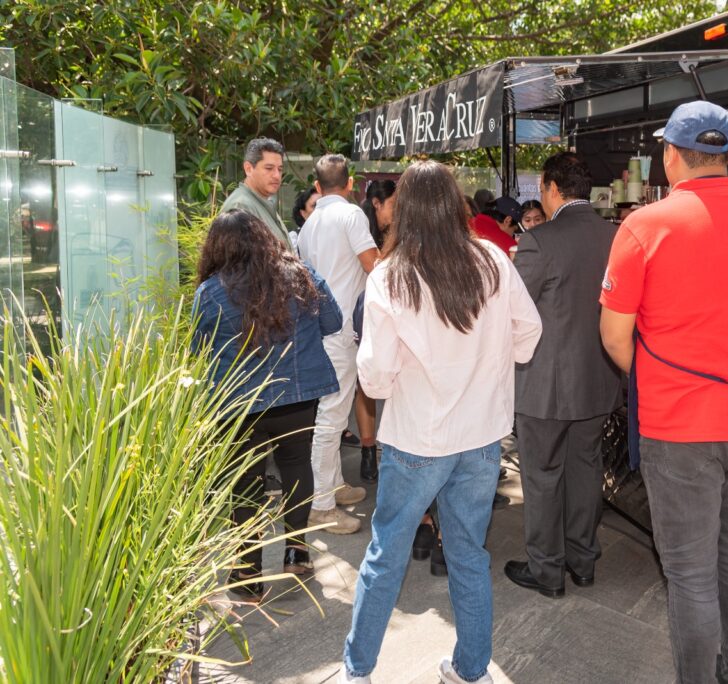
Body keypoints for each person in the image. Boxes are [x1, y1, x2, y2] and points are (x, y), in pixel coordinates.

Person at [599, 100, 728, 684]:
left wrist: (658, 381)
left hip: (680, 425)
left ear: (671, 156)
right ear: (727, 155)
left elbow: (614, 335)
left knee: (689, 572)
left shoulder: (645, 226)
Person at [341, 160, 542, 684]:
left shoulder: (391, 275)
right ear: (456, 204)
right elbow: (528, 334)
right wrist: (487, 365)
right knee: (468, 554)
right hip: (481, 437)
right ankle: (472, 670)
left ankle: (358, 671)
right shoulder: (493, 259)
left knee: (386, 555)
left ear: (403, 210)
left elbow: (375, 379)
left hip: (416, 438)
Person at [192, 209, 343, 602]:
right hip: (298, 395)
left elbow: (198, 349)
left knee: (246, 481)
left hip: (239, 403)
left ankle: (248, 573)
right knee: (296, 464)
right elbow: (333, 322)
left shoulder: (209, 292)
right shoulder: (301, 275)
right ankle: (297, 553)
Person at [503, 152, 621, 599]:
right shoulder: (615, 235)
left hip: (545, 384)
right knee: (586, 469)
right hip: (598, 377)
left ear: (553, 189)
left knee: (542, 474)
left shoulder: (539, 240)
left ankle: (546, 569)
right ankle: (583, 560)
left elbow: (514, 310)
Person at [297, 153, 380, 535]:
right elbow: (372, 265)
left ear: (317, 186)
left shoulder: (310, 223)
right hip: (343, 328)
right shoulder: (351, 215)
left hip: (320, 328)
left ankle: (332, 486)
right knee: (331, 418)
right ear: (350, 184)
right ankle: (321, 506)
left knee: (334, 411)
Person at [220, 137, 292, 249]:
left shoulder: (262, 201)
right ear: (248, 169)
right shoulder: (240, 206)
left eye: (280, 169)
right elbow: (237, 259)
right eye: (269, 168)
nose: (277, 175)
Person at [361, 179, 397, 250]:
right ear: (376, 203)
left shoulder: (393, 232)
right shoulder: (362, 231)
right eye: (393, 204)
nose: (398, 209)